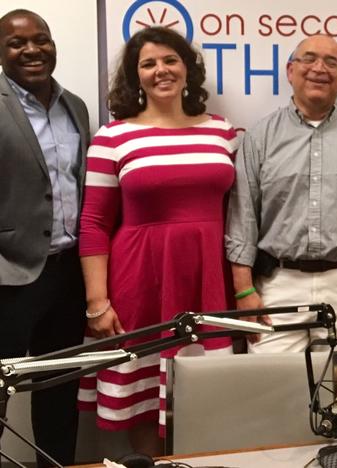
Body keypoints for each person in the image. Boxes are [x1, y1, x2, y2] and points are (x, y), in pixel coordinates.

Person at [78, 26, 238, 455]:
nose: (161, 70)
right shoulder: (113, 137)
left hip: (208, 281)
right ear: (136, 76)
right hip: (140, 282)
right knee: (146, 402)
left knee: (206, 397)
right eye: (148, 64)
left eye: (170, 60)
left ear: (188, 69)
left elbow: (239, 214)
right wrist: (97, 301)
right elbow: (93, 222)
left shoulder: (222, 132)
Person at [225, 34, 337, 384]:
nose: (319, 68)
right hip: (279, 283)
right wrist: (244, 290)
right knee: (273, 394)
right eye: (308, 59)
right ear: (290, 71)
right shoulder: (260, 137)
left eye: (331, 62)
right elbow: (242, 217)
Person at [0, 9, 90, 466]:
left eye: (41, 39)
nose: (32, 49)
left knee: (59, 393)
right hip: (7, 279)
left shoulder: (75, 105)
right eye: (17, 43)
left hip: (67, 275)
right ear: (1, 52)